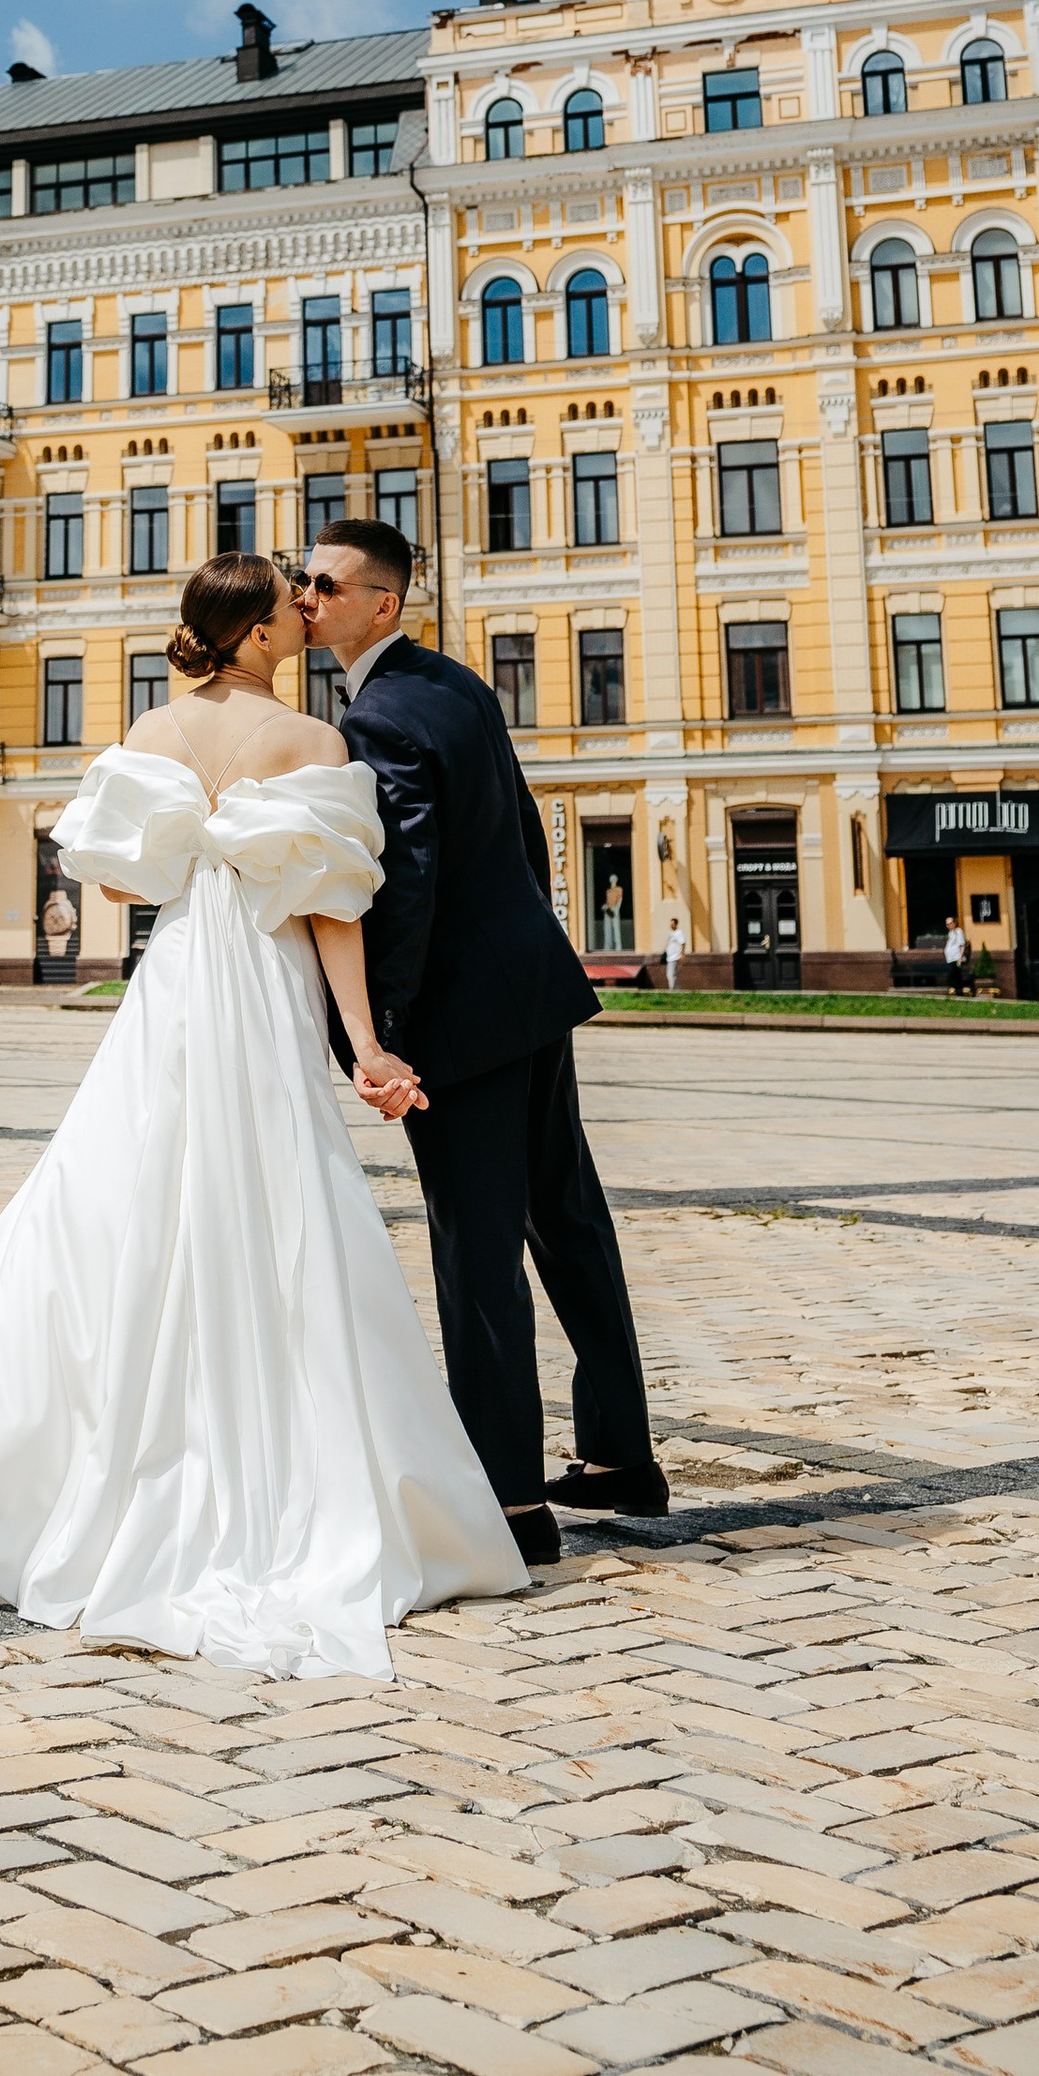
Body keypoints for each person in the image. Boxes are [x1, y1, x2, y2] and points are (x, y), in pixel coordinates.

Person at [0, 554, 524, 1678]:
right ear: (253, 635)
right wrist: (367, 1043)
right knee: (279, 1203)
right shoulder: (311, 742)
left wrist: (196, 844)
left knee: (127, 1196)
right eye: (284, 614)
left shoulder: (148, 732)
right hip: (264, 979)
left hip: (180, 976)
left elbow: (117, 887)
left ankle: (77, 1466)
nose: (302, 622)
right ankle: (305, 1481)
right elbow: (330, 907)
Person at [301, 520, 666, 1564]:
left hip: (461, 1020)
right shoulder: (453, 684)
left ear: (383, 604)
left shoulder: (381, 717)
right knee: (568, 1222)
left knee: (476, 1254)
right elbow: (522, 824)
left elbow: (403, 888)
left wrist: (381, 1038)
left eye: (326, 583)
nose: (307, 595)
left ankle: (510, 1499)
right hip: (529, 992)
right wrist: (533, 957)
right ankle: (616, 1456)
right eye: (302, 578)